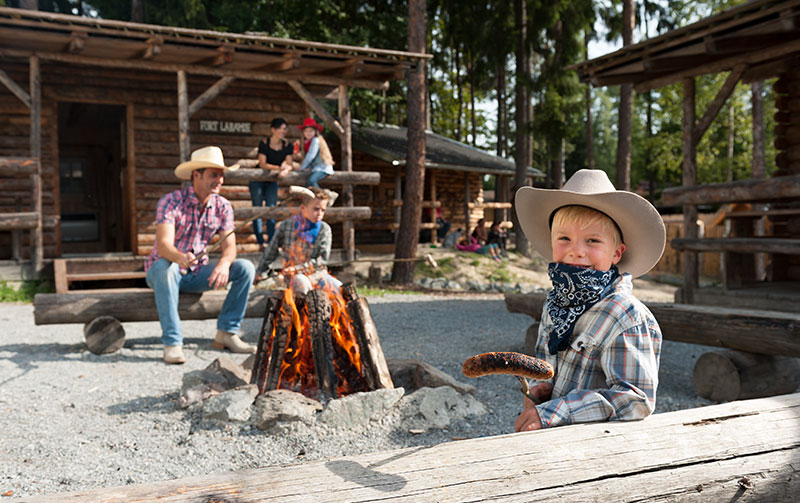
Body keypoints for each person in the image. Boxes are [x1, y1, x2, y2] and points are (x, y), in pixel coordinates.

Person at [512, 169, 666, 431]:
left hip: (599, 449)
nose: (576, 250)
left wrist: (557, 410)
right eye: (564, 238)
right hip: (553, 437)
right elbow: (546, 364)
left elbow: (635, 399)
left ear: (616, 253)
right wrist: (538, 393)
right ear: (552, 244)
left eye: (593, 240)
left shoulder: (625, 316)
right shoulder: (555, 304)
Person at [145, 146, 256, 364]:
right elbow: (164, 246)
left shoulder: (223, 206)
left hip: (197, 272)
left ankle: (227, 333)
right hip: (166, 270)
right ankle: (173, 343)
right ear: (197, 175)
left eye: (222, 175)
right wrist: (179, 257)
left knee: (245, 268)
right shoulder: (170, 201)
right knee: (166, 268)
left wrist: (224, 264)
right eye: (214, 175)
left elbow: (230, 247)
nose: (220, 180)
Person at [254, 187, 341, 296]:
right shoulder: (286, 226)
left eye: (323, 210)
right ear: (302, 207)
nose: (319, 213)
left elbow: (321, 260)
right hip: (294, 277)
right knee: (302, 284)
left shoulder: (325, 229)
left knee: (339, 288)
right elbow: (271, 251)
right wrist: (259, 272)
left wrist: (296, 268)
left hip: (318, 274)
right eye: (316, 209)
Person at [251, 118, 294, 250]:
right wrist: (278, 168)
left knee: (271, 209)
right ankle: (260, 242)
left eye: (285, 129)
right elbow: (262, 164)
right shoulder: (264, 143)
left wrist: (286, 169)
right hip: (257, 179)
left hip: (272, 181)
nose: (283, 131)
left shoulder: (287, 145)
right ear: (273, 130)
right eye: (281, 129)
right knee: (257, 209)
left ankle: (271, 242)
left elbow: (289, 163)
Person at [294, 117, 334, 189]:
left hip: (323, 168)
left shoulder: (316, 140)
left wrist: (302, 167)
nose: (308, 133)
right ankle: (313, 199)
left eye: (311, 131)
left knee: (311, 181)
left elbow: (311, 156)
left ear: (315, 132)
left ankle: (323, 197)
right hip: (315, 168)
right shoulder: (306, 143)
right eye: (306, 131)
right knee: (307, 184)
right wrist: (308, 167)